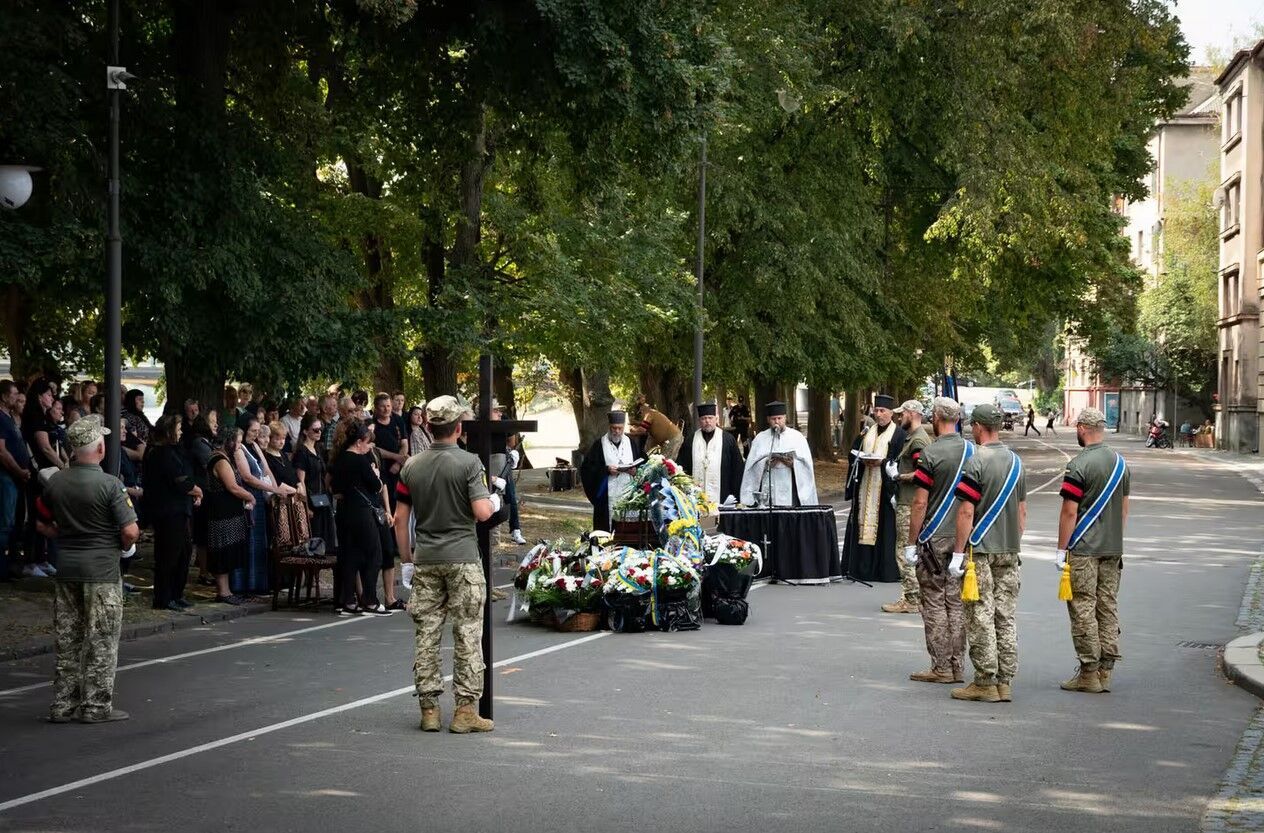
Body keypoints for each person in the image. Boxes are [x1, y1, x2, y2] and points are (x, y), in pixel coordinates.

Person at [394, 395, 499, 734]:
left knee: (426, 634)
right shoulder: (468, 463)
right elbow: (482, 513)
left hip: (426, 558)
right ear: (458, 427)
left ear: (428, 425)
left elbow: (400, 519)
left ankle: (429, 710)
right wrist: (495, 499)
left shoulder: (411, 466)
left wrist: (407, 561)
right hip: (463, 558)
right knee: (467, 633)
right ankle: (466, 711)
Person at [35, 415, 140, 723]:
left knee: (68, 640)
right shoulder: (110, 485)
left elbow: (41, 522)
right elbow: (131, 531)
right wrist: (118, 546)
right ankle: (95, 706)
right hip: (102, 572)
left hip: (66, 568)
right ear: (99, 449)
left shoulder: (56, 482)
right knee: (102, 640)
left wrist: (63, 536)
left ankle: (62, 705)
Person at [949, 403, 1026, 704]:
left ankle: (984, 681)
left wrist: (958, 553)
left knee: (980, 615)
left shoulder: (975, 461)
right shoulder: (1017, 462)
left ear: (979, 427)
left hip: (980, 550)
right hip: (1009, 548)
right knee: (1005, 616)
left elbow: (966, 511)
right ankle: (1005, 681)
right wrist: (1011, 540)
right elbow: (1021, 512)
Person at [1055, 407, 1130, 694]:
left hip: (1085, 549)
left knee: (1083, 607)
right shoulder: (1121, 463)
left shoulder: (1078, 465)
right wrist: (1114, 537)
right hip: (1113, 547)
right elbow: (1124, 508)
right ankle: (1106, 669)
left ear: (1083, 428)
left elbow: (1069, 512)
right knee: (1107, 605)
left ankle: (1088, 672)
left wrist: (1061, 549)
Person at [904, 397, 971, 684]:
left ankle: (941, 666)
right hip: (962, 536)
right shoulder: (973, 452)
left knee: (933, 601)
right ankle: (958, 665)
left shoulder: (930, 455)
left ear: (936, 417)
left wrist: (910, 542)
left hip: (933, 537)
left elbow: (920, 503)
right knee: (956, 602)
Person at [329, 418, 393, 617]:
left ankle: (348, 600)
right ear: (359, 442)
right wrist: (374, 473)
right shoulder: (360, 460)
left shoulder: (339, 459)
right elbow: (376, 486)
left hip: (344, 510)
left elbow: (336, 489)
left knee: (350, 555)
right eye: (367, 443)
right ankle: (370, 600)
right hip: (362, 512)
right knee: (374, 554)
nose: (369, 447)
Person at [841, 394, 906, 582]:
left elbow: (900, 461)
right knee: (861, 526)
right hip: (865, 485)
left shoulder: (899, 434)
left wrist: (882, 462)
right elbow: (853, 454)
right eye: (876, 410)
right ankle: (860, 569)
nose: (878, 414)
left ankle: (883, 571)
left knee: (884, 529)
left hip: (884, 489)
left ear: (891, 413)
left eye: (882, 411)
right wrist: (861, 459)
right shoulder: (866, 432)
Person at [143, 414, 202, 610]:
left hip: (178, 509)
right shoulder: (162, 453)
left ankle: (176, 593)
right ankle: (164, 597)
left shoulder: (173, 451)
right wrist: (196, 490)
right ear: (169, 431)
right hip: (168, 511)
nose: (181, 431)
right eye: (178, 428)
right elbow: (180, 481)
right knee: (169, 554)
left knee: (183, 552)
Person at [882, 399, 930, 614]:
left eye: (903, 414)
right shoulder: (913, 438)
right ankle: (914, 596)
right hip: (906, 499)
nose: (900, 417)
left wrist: (899, 476)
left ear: (912, 413)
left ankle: (911, 598)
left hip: (910, 503)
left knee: (904, 550)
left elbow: (923, 473)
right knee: (908, 550)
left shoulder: (918, 440)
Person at [739, 401, 818, 506]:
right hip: (769, 486)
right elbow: (751, 466)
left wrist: (794, 463)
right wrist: (765, 463)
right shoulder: (760, 438)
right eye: (773, 419)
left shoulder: (797, 437)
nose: (777, 422)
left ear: (785, 418)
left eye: (779, 418)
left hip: (791, 488)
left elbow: (807, 465)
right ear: (768, 420)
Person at [205, 431, 253, 604]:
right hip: (222, 514)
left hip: (228, 512)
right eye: (237, 443)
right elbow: (232, 486)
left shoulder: (222, 457)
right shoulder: (220, 460)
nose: (239, 446)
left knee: (228, 550)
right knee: (223, 550)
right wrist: (250, 496)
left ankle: (228, 590)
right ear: (229, 442)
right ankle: (223, 592)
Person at [676, 403, 745, 510]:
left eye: (710, 418)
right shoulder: (691, 440)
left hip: (722, 496)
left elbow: (737, 469)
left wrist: (736, 495)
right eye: (704, 418)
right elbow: (682, 468)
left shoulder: (727, 439)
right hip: (695, 500)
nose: (707, 421)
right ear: (699, 421)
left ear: (715, 419)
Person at [579, 411, 639, 532]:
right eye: (614, 428)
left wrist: (635, 471)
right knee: (606, 530)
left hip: (628, 492)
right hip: (607, 496)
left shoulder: (631, 443)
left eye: (620, 428)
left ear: (623, 428)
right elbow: (587, 469)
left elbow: (642, 462)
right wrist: (606, 470)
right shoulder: (599, 445)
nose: (616, 431)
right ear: (609, 427)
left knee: (628, 527)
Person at [0, 380, 33, 581]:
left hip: (16, 477)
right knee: (5, 523)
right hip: (7, 477)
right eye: (13, 394)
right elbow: (1, 451)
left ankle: (11, 565)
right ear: (3, 396)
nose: (16, 397)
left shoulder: (9, 417)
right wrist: (19, 470)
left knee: (15, 522)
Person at [294, 413, 335, 552]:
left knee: (326, 540)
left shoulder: (318, 449)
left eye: (320, 429)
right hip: (311, 500)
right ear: (305, 431)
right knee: (314, 541)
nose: (319, 432)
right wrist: (305, 506)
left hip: (322, 498)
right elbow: (301, 481)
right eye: (315, 430)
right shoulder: (302, 452)